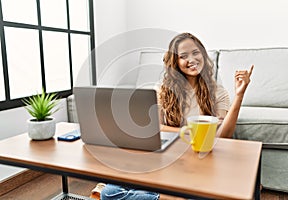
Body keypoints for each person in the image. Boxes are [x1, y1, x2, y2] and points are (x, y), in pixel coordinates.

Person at [92, 32, 254, 199]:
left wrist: (239, 96)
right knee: (109, 193)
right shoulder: (162, 89)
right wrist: (194, 133)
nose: (191, 59)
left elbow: (223, 136)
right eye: (183, 56)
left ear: (203, 55)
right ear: (175, 62)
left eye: (196, 52)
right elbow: (157, 127)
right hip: (167, 157)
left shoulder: (218, 91)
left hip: (197, 164)